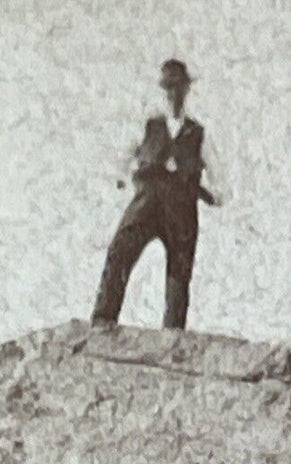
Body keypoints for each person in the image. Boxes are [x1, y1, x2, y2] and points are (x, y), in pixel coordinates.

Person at [90, 59, 229, 332]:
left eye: (178, 87)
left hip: (182, 207)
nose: (173, 93)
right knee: (120, 251)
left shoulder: (199, 134)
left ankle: (173, 334)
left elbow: (219, 180)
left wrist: (210, 194)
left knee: (179, 272)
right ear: (162, 89)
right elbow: (123, 156)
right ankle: (103, 320)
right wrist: (121, 178)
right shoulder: (147, 125)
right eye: (168, 87)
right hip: (147, 201)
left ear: (186, 89)